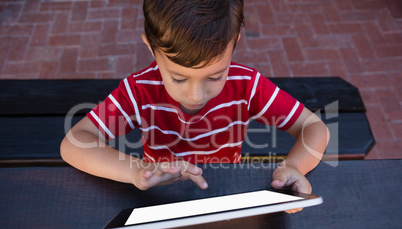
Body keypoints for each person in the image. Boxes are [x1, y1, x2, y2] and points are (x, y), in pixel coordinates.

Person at [60, 0, 329, 213]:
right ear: (152, 48)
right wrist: (134, 170)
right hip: (159, 194)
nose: (196, 94)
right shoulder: (139, 91)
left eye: (214, 76)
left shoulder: (247, 85)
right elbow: (74, 143)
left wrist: (295, 166)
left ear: (234, 42)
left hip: (224, 191)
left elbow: (315, 128)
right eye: (178, 78)